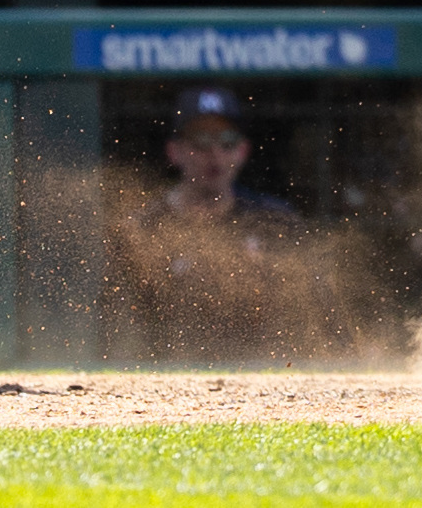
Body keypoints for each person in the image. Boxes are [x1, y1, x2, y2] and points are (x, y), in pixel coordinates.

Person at [113, 88, 303, 362]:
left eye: (226, 141)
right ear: (174, 151)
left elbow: (310, 314)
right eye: (200, 141)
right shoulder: (142, 228)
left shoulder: (274, 221)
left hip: (260, 375)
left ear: (243, 150)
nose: (214, 153)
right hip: (165, 379)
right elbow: (116, 330)